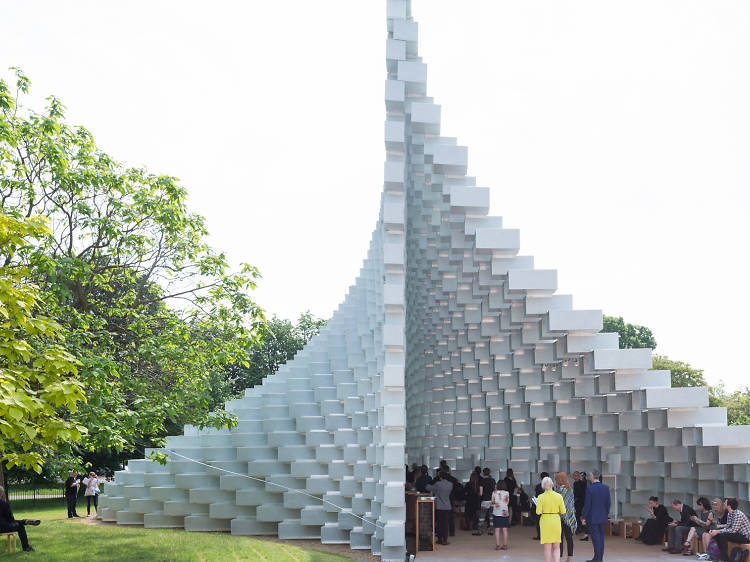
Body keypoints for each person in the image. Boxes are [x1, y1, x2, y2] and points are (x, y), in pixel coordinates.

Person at [708, 497, 750, 562]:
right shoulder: (730, 513)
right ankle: (718, 556)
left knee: (722, 535)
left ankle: (724, 559)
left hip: (745, 537)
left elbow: (733, 530)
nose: (724, 503)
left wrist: (718, 531)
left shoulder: (738, 515)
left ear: (729, 506)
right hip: (737, 534)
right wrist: (717, 529)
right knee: (718, 535)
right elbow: (728, 527)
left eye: (725, 502)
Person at [0, 485, 40, 552]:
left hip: (3, 525)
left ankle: (25, 521)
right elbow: (11, 520)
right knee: (20, 526)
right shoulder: (4, 504)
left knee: (14, 523)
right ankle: (26, 547)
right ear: (2, 494)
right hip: (2, 528)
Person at [582, 469, 610, 562]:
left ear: (592, 477)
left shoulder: (589, 488)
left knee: (595, 538)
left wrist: (583, 517)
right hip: (602, 517)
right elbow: (608, 503)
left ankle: (597, 559)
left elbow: (587, 505)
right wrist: (605, 514)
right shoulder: (606, 488)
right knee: (601, 538)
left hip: (592, 518)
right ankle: (598, 558)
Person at [536, 476, 565, 562]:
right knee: (556, 547)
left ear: (543, 485)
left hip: (545, 521)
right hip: (556, 520)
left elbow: (538, 512)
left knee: (547, 548)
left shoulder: (540, 497)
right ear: (552, 484)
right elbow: (563, 511)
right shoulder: (559, 496)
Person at [426, 471, 453, 546]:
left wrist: (433, 480)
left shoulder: (438, 484)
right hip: (447, 506)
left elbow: (428, 487)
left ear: (440, 477)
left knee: (439, 523)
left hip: (439, 506)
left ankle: (440, 539)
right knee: (445, 523)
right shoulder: (450, 484)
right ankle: (445, 540)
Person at [555, 472, 577, 562]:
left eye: (556, 479)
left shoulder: (557, 492)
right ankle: (569, 558)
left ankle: (559, 558)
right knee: (569, 538)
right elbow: (571, 505)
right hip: (569, 516)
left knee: (559, 539)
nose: (555, 481)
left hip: (559, 517)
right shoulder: (570, 490)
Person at [491, 480, 510, 550]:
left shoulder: (494, 492)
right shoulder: (507, 493)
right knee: (505, 530)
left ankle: (497, 545)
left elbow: (492, 502)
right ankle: (505, 545)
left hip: (496, 513)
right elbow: (507, 502)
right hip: (505, 513)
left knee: (497, 530)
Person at [532, 471, 550, 540]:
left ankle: (540, 535)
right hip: (548, 506)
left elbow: (537, 496)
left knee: (539, 521)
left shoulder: (538, 486)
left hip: (540, 505)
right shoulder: (551, 486)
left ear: (541, 478)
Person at [479, 467, 496, 535]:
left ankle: (480, 530)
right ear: (489, 473)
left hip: (485, 500)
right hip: (492, 500)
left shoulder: (482, 481)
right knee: (491, 516)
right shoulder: (493, 480)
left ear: (483, 473)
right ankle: (491, 530)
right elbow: (495, 491)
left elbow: (481, 493)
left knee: (482, 516)